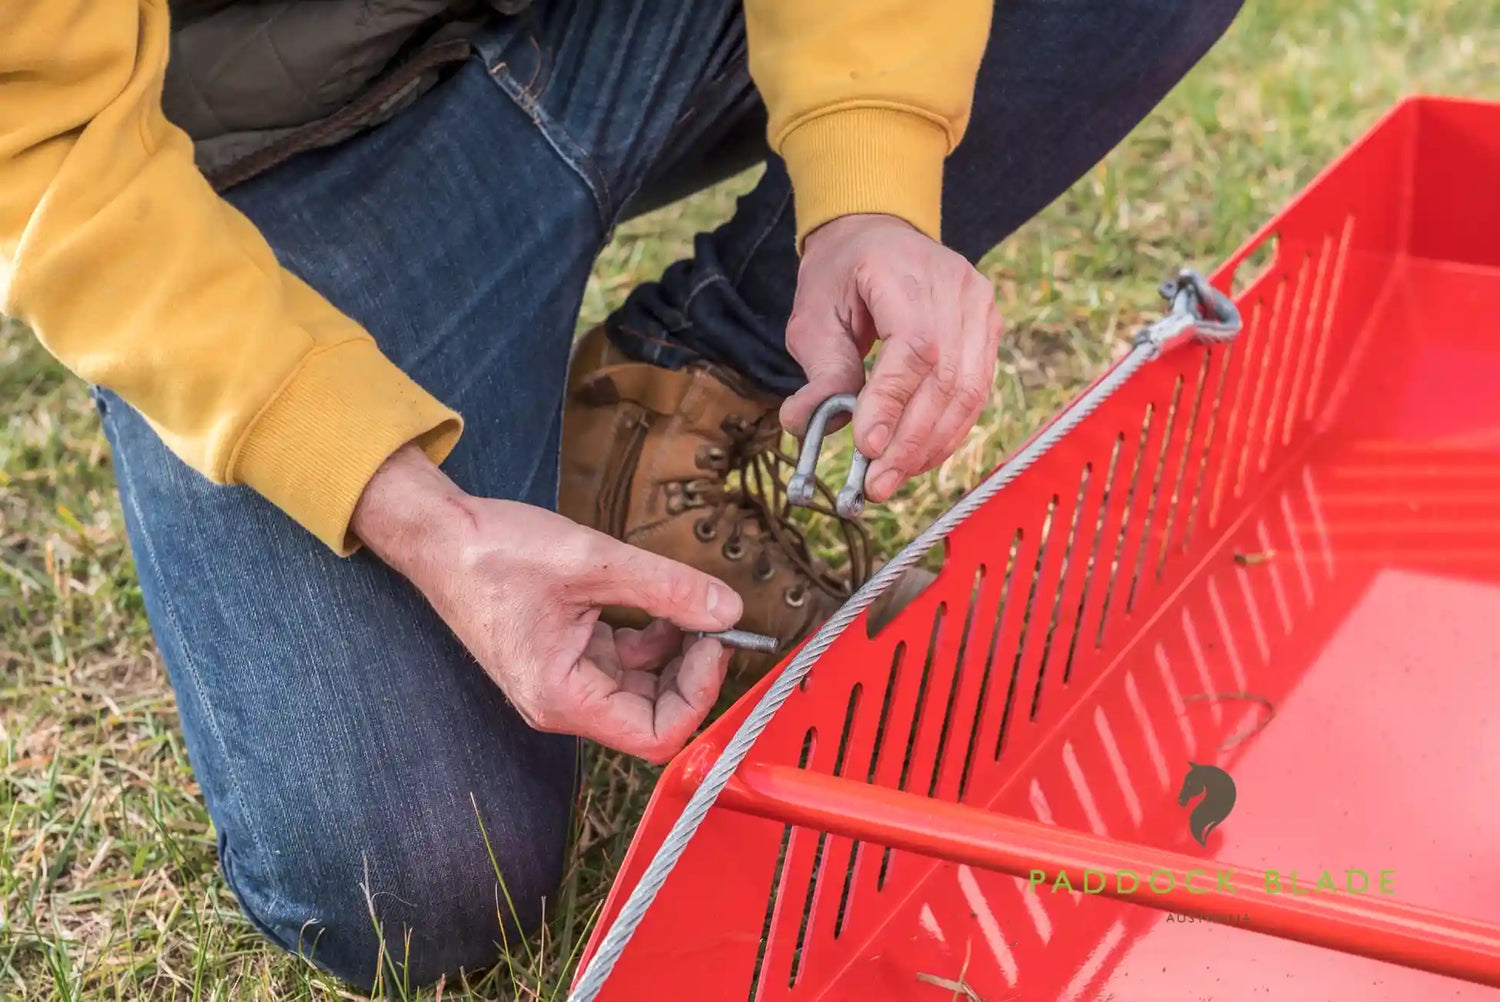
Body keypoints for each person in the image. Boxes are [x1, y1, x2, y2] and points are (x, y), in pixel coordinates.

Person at [1, 0, 1242, 989]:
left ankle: (680, 389)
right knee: (418, 880)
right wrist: (418, 515)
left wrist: (870, 188)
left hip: (623, 27)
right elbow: (41, 144)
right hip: (274, 172)